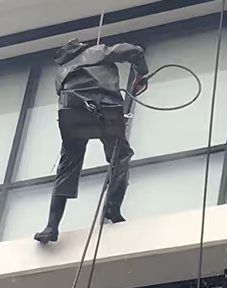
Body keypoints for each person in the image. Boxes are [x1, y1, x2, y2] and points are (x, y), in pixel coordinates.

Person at [35, 39, 149, 244]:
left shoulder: (61, 70)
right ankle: (112, 208)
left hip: (71, 114)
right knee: (120, 156)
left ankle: (51, 226)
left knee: (67, 167)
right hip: (104, 109)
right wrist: (141, 74)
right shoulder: (95, 52)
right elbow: (134, 50)